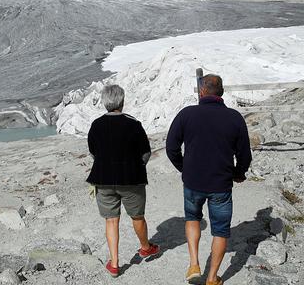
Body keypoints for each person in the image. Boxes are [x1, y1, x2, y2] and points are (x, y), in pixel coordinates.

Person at [166, 74, 252, 285]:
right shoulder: (234, 118)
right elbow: (244, 154)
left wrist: (184, 168)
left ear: (201, 91)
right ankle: (212, 278)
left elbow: (171, 147)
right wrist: (238, 173)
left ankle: (194, 264)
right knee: (221, 230)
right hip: (221, 184)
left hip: (193, 182)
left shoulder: (186, 114)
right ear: (221, 93)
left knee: (192, 218)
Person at [87, 84, 159, 278]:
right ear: (122, 101)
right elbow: (145, 152)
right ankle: (145, 248)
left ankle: (115, 263)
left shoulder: (96, 124)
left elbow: (93, 151)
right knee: (137, 216)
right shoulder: (133, 124)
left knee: (111, 220)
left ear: (105, 102)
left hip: (103, 179)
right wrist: (137, 166)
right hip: (131, 179)